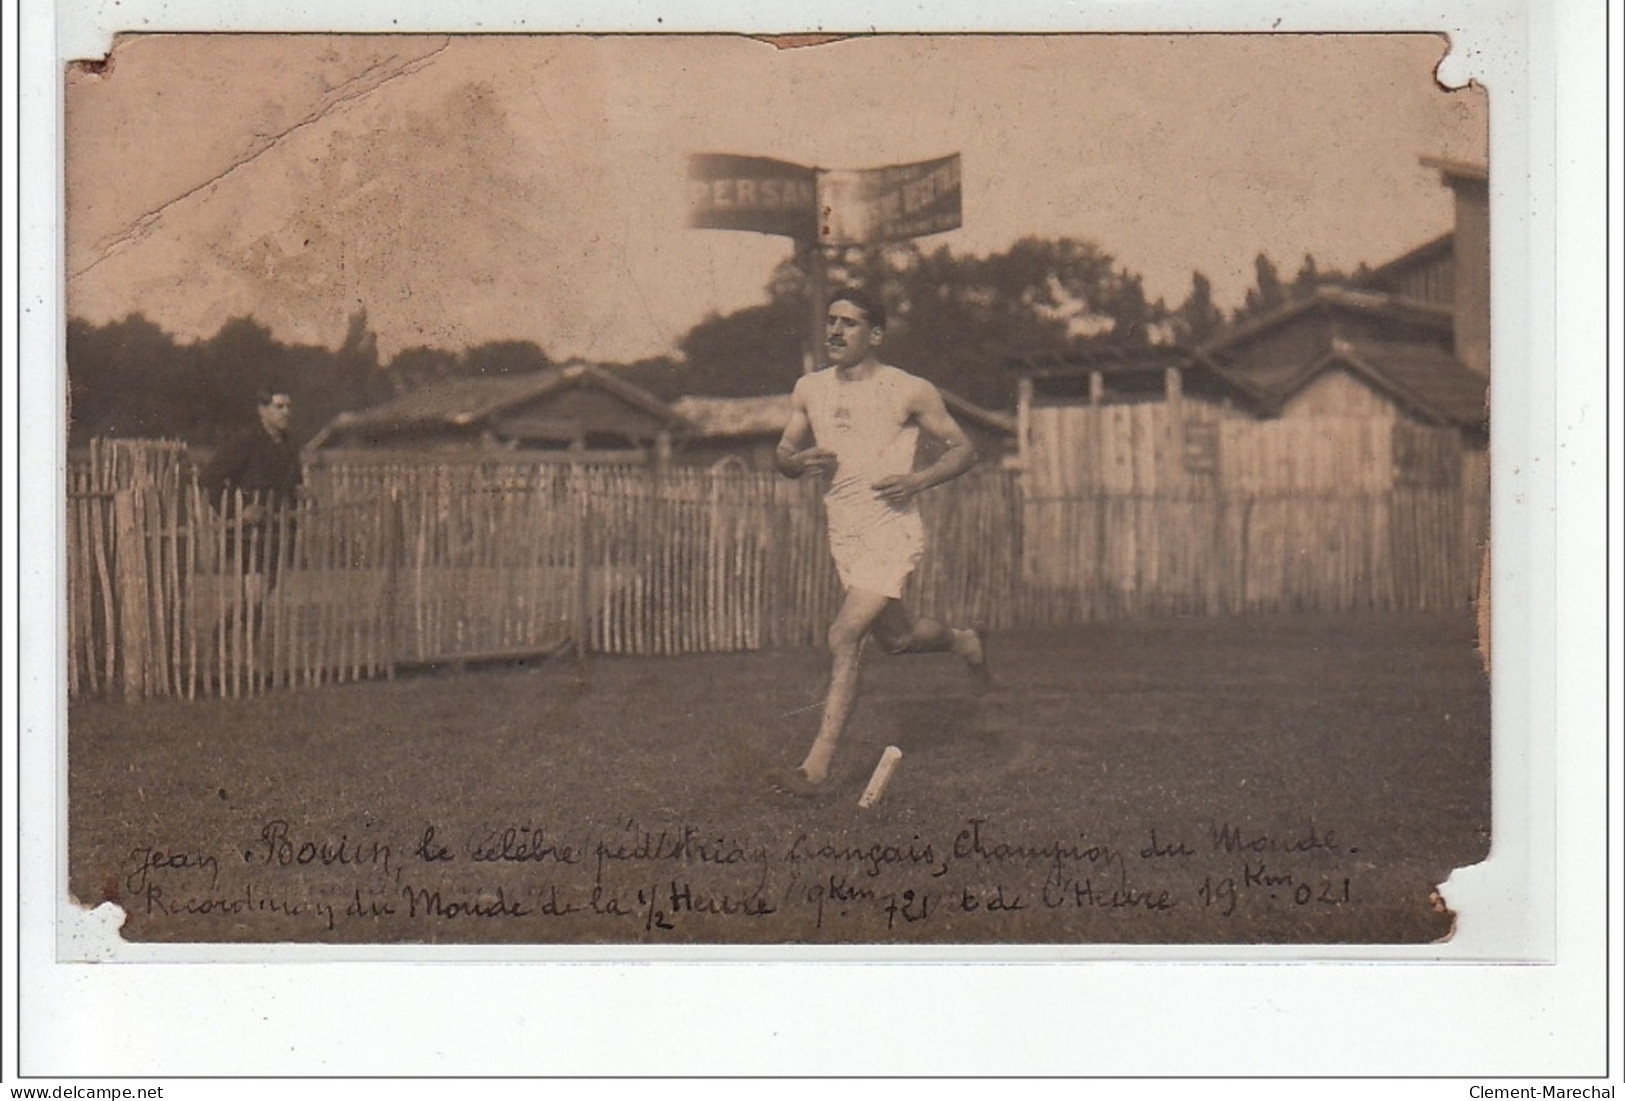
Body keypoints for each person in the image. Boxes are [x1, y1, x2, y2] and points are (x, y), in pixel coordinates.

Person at [767, 288, 990, 796]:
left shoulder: (908, 390)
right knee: (898, 638)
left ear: (875, 335)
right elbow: (783, 453)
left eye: (849, 323)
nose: (835, 332)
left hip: (891, 527)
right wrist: (797, 463)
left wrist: (916, 481)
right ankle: (964, 641)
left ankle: (815, 768)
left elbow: (964, 450)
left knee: (844, 636)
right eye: (831, 321)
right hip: (843, 530)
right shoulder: (809, 388)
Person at [200, 389, 302, 586]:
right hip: (250, 533)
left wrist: (299, 489)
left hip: (277, 530)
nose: (286, 412)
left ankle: (233, 619)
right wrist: (239, 509)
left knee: (266, 590)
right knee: (253, 597)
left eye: (289, 406)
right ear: (262, 410)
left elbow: (291, 480)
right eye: (279, 406)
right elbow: (209, 478)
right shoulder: (246, 441)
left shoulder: (289, 443)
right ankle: (229, 619)